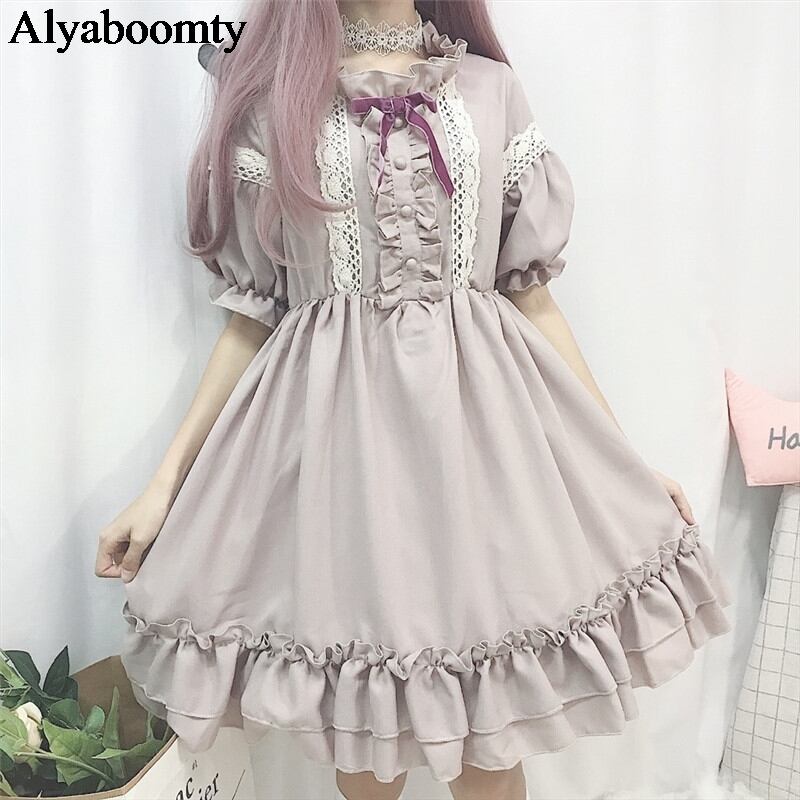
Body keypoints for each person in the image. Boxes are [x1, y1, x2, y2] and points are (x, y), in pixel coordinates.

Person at [95, 2, 734, 798]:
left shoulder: (489, 90)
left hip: (482, 450)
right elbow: (252, 317)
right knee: (368, 751)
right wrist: (164, 486)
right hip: (340, 465)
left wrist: (622, 459)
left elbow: (532, 297)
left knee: (492, 750)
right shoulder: (273, 103)